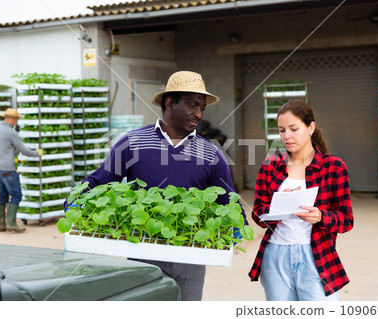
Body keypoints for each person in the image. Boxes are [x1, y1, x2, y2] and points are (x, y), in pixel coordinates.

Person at [66, 71, 246, 300]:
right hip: (143, 249)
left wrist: (238, 222)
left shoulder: (211, 152)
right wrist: (75, 200)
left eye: (202, 108)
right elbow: (100, 180)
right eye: (192, 106)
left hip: (192, 256)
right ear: (170, 103)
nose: (198, 114)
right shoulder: (133, 142)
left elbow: (227, 199)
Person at [248, 99, 354, 301]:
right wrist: (277, 205)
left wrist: (321, 217)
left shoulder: (334, 167)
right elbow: (257, 214)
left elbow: (347, 221)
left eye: (294, 129)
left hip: (317, 255)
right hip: (275, 255)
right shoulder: (270, 166)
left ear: (311, 127)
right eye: (281, 130)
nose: (286, 136)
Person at [0, 108, 43, 233]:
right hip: (8, 169)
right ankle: (12, 224)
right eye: (16, 119)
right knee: (16, 195)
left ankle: (2, 225)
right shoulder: (11, 132)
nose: (16, 122)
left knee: (3, 195)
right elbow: (24, 150)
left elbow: (5, 147)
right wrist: (37, 153)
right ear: (12, 119)